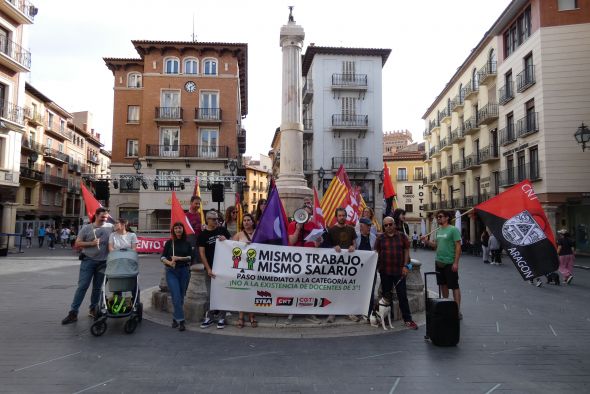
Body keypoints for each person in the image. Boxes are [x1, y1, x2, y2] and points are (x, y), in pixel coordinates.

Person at [61, 207, 114, 324]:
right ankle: (73, 313)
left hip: (104, 263)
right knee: (82, 286)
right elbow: (77, 243)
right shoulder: (86, 228)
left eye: (106, 217)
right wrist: (91, 243)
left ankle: (93, 309)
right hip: (88, 261)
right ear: (96, 215)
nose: (105, 219)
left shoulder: (111, 228)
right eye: (102, 217)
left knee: (98, 288)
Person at [375, 216, 418, 329]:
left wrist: (406, 266)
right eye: (386, 225)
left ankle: (408, 320)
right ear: (384, 227)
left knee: (402, 296)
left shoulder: (402, 236)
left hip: (399, 271)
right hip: (385, 271)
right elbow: (376, 252)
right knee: (386, 296)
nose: (388, 227)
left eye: (390, 224)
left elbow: (406, 252)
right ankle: (388, 318)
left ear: (394, 224)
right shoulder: (380, 238)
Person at [421, 210, 463, 320]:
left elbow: (458, 247)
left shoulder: (453, 230)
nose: (438, 219)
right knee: (443, 285)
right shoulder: (438, 230)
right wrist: (426, 242)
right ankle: (446, 307)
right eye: (437, 217)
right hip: (439, 262)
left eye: (440, 217)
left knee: (454, 286)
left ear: (447, 218)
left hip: (449, 262)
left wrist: (456, 263)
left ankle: (457, 310)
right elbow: (436, 245)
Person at [286, 201, 322, 324]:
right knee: (295, 285)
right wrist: (298, 229)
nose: (305, 216)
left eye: (308, 214)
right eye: (304, 213)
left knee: (310, 286)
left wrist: (319, 241)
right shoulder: (292, 224)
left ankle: (310, 312)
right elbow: (291, 241)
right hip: (296, 260)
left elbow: (317, 245)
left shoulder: (313, 225)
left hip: (310, 259)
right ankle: (292, 311)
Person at [198, 210, 231, 329]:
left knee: (222, 293)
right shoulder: (202, 235)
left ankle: (222, 317)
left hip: (223, 268)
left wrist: (226, 240)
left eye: (217, 219)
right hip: (211, 269)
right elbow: (202, 253)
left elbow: (232, 245)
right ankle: (210, 317)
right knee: (211, 294)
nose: (216, 221)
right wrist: (208, 269)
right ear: (207, 220)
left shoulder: (222, 230)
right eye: (213, 219)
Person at [326, 207, 357, 323]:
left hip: (348, 265)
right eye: (339, 215)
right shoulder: (331, 230)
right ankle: (332, 312)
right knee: (334, 289)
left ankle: (349, 312)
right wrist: (334, 247)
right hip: (334, 266)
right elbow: (327, 247)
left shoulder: (351, 229)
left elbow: (354, 244)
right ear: (336, 217)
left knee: (347, 288)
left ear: (346, 216)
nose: (342, 217)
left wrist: (353, 247)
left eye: (343, 215)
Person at [161, 222, 193, 332]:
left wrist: (179, 258)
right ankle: (181, 320)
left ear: (183, 229)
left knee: (181, 296)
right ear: (173, 230)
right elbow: (162, 257)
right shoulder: (169, 243)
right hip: (171, 272)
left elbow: (190, 257)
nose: (178, 230)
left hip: (184, 271)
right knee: (176, 295)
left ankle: (175, 318)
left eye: (180, 228)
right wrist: (169, 263)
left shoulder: (187, 243)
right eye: (176, 228)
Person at [232, 213, 258, 328]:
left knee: (252, 292)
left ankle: (252, 315)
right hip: (242, 268)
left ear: (252, 222)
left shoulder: (258, 233)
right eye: (244, 220)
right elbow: (231, 247)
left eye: (248, 220)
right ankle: (241, 316)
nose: (246, 222)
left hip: (254, 267)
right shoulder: (239, 234)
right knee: (242, 291)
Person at [356, 217, 377, 321]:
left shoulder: (373, 237)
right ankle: (358, 310)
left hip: (370, 270)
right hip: (359, 271)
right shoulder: (356, 237)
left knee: (371, 290)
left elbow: (375, 251)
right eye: (367, 225)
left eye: (370, 225)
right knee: (358, 290)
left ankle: (369, 312)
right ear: (361, 226)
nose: (369, 227)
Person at [185, 195, 203, 264]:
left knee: (198, 263)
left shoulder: (201, 215)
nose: (198, 205)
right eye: (196, 203)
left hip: (199, 243)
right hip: (190, 242)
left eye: (199, 204)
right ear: (191, 203)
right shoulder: (185, 216)